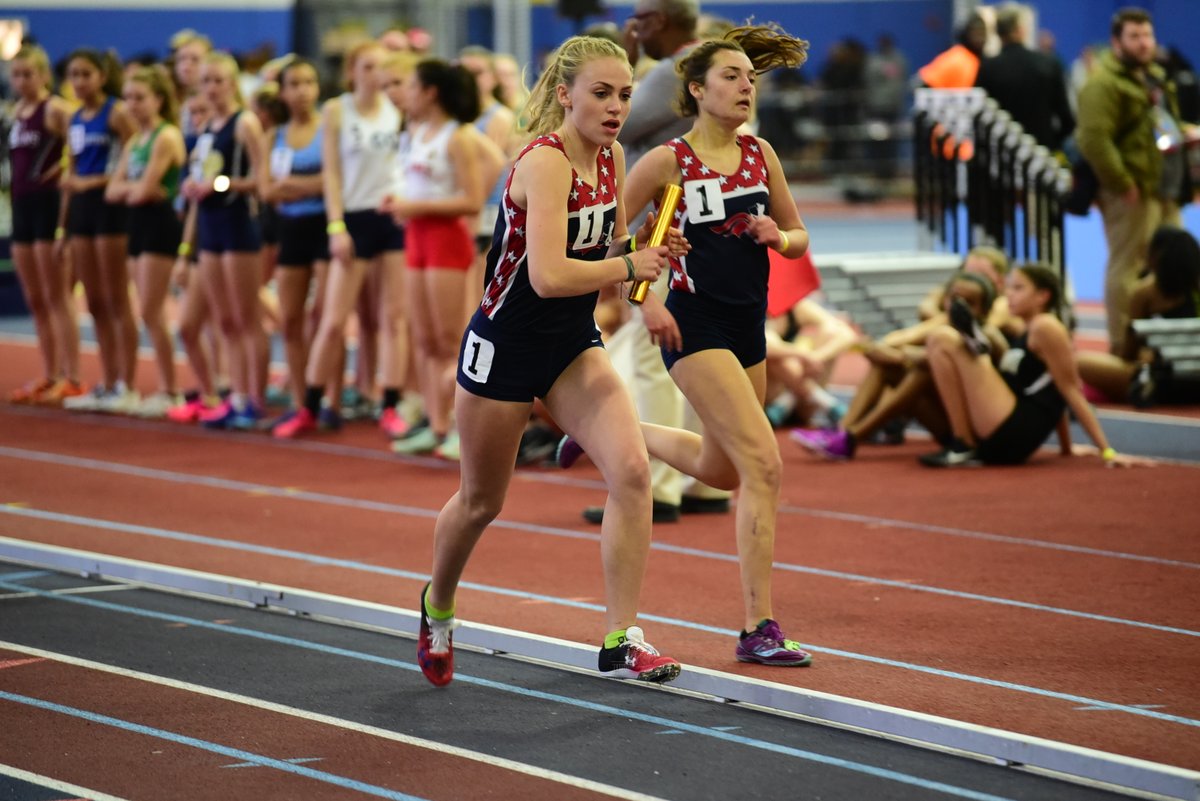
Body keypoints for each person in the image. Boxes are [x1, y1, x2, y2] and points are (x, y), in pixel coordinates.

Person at [417, 35, 681, 688]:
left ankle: (622, 635)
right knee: (481, 502)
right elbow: (547, 273)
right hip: (505, 346)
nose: (616, 107)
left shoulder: (615, 156)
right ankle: (437, 605)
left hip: (569, 345)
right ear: (564, 95)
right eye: (601, 93)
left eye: (623, 94)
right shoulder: (543, 163)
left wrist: (645, 241)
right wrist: (628, 264)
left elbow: (598, 238)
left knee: (632, 472)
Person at [568, 23, 815, 667]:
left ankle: (615, 432)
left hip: (746, 325)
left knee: (725, 468)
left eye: (751, 78)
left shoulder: (762, 155)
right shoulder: (668, 162)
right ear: (698, 89)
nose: (746, 87)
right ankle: (757, 626)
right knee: (764, 465)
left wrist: (775, 235)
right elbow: (604, 237)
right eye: (732, 76)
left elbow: (799, 235)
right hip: (693, 324)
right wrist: (642, 300)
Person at [582, 0, 733, 526]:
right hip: (715, 231)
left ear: (660, 23)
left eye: (639, 20)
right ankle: (704, 479)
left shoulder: (677, 71)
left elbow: (615, 127)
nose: (632, 29)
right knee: (699, 353)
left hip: (666, 227)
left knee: (655, 357)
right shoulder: (716, 65)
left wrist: (620, 68)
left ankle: (657, 483)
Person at [272, 41, 408, 441]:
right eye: (368, 67)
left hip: (391, 216)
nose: (377, 76)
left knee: (393, 318)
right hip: (353, 217)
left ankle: (391, 405)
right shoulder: (337, 110)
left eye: (382, 68)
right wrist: (336, 226)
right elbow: (331, 174)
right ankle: (310, 407)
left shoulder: (397, 109)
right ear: (353, 70)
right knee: (333, 320)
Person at [920, 263, 1146, 469]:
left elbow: (1069, 389)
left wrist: (1106, 451)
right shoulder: (1028, 328)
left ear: (1042, 296)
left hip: (1014, 430)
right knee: (942, 342)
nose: (1009, 294)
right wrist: (1066, 449)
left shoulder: (1046, 327)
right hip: (1006, 422)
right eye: (1009, 288)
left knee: (942, 338)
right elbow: (1053, 387)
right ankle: (963, 439)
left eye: (1018, 288)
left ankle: (963, 442)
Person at [1076, 6, 1191, 354]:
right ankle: (1121, 345)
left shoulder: (1155, 76)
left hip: (1164, 187)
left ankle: (1169, 343)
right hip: (1131, 191)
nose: (1143, 44)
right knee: (1128, 267)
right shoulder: (1103, 84)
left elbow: (1163, 126)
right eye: (1135, 37)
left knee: (1175, 264)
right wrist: (1122, 183)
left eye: (1147, 36)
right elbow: (1093, 140)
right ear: (1117, 42)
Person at [384, 59, 484, 460]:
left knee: (449, 338)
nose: (403, 94)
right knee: (423, 339)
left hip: (445, 240)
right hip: (416, 238)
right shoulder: (412, 132)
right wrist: (400, 203)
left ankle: (466, 428)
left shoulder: (456, 137)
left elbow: (472, 199)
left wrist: (415, 205)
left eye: (410, 86)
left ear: (430, 92)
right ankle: (436, 423)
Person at [180, 51, 268, 430]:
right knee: (224, 319)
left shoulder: (244, 123)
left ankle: (255, 399)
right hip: (210, 226)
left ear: (233, 84)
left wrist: (223, 184)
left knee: (247, 317)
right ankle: (236, 395)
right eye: (206, 82)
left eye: (219, 81)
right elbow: (201, 174)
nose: (212, 88)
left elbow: (263, 181)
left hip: (237, 224)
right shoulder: (205, 128)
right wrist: (192, 186)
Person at [104, 65, 187, 418]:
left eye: (140, 98)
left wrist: (134, 191)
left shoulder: (166, 136)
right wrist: (133, 191)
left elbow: (144, 190)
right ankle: (159, 387)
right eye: (128, 98)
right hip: (137, 225)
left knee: (152, 310)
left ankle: (171, 390)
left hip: (160, 225)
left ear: (159, 99)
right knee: (145, 310)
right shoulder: (136, 140)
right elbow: (114, 190)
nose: (133, 105)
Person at [60, 49, 139, 414]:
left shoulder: (117, 114)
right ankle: (107, 381)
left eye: (86, 74)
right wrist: (62, 228)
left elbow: (136, 159)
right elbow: (70, 174)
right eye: (74, 75)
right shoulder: (74, 118)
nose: (79, 82)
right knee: (93, 301)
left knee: (115, 298)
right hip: (81, 213)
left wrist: (95, 181)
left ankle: (127, 382)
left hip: (111, 211)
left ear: (102, 77)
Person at [5, 45, 84, 406]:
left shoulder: (56, 110)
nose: (21, 82)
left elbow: (83, 146)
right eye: (16, 75)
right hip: (21, 206)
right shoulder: (15, 113)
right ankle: (49, 372)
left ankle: (73, 375)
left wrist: (68, 171)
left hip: (50, 206)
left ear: (44, 75)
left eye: (28, 75)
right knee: (36, 298)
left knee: (57, 296)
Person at [258, 57, 334, 428]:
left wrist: (294, 187)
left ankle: (329, 399)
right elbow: (266, 189)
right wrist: (301, 187)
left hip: (323, 226)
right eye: (295, 84)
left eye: (309, 82)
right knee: (290, 320)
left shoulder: (328, 128)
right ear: (284, 92)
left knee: (324, 318)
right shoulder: (274, 136)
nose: (303, 91)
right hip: (290, 230)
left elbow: (335, 181)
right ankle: (301, 399)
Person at [1078, 225, 1200, 405]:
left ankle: (1143, 387)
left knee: (1079, 362)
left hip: (1162, 381)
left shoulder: (1146, 292)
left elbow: (1128, 352)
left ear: (1156, 255)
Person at [975, 4, 1074, 152]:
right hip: (1041, 155)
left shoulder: (987, 68)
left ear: (998, 33)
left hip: (1002, 156)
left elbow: (979, 119)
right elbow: (1068, 121)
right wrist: (1051, 144)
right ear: (1021, 30)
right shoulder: (1049, 64)